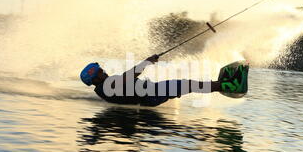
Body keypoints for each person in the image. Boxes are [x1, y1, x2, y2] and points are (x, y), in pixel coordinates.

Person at [80, 54, 249, 107]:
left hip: (151, 93)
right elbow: (128, 77)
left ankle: (223, 83)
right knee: (188, 84)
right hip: (151, 94)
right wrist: (147, 62)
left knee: (187, 84)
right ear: (95, 77)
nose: (104, 70)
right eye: (101, 71)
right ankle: (229, 84)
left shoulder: (104, 86)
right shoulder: (106, 86)